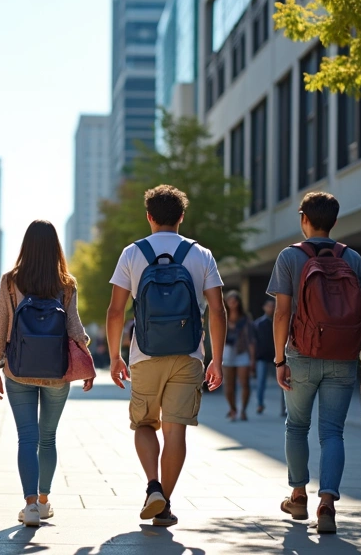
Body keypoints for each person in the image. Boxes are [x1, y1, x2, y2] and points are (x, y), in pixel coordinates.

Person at [106, 185, 226, 528]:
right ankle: (165, 503)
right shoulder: (201, 254)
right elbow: (216, 311)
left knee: (144, 423)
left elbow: (116, 311)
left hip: (145, 355)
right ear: (182, 217)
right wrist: (215, 359)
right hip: (189, 355)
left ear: (149, 217)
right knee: (176, 433)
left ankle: (153, 486)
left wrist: (115, 356)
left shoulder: (132, 253)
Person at [269, 192, 361, 535]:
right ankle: (327, 503)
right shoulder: (353, 258)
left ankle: (298, 495)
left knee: (297, 426)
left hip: (301, 354)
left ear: (303, 218)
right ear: (334, 220)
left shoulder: (289, 257)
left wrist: (278, 359)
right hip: (344, 357)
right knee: (333, 432)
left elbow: (282, 313)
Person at [0, 220, 95, 527]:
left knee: (27, 438)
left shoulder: (10, 281)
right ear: (55, 248)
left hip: (18, 370)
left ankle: (31, 506)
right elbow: (74, 328)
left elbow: (0, 327)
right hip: (57, 372)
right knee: (47, 438)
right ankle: (45, 501)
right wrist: (86, 363)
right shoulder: (66, 283)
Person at [222, 290, 256, 421]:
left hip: (242, 352)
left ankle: (243, 410)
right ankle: (232, 408)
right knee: (229, 385)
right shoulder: (222, 316)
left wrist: (252, 359)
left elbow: (251, 339)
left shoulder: (245, 318)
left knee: (244, 383)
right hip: (227, 352)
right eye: (230, 301)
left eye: (234, 301)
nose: (232, 303)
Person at [255, 298, 283, 416]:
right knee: (261, 382)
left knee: (283, 383)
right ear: (264, 307)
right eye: (269, 306)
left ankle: (285, 408)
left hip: (278, 356)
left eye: (273, 305)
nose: (271, 308)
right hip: (262, 357)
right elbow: (254, 341)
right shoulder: (258, 324)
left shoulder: (281, 321)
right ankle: (260, 404)